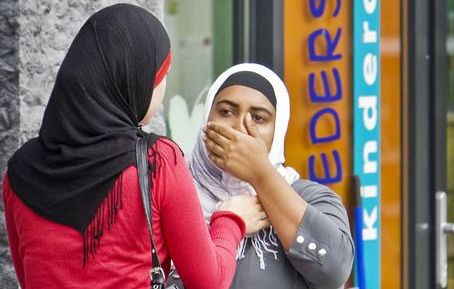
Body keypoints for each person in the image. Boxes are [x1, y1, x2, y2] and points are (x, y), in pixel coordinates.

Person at [2, 5, 267, 289]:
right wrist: (230, 220)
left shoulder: (19, 173)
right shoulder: (157, 162)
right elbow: (208, 281)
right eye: (161, 75)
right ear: (130, 80)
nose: (163, 88)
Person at [187, 63, 354, 289]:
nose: (239, 128)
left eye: (258, 118)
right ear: (207, 118)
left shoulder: (310, 198)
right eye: (226, 112)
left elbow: (335, 270)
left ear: (278, 131)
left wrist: (261, 174)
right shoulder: (174, 191)